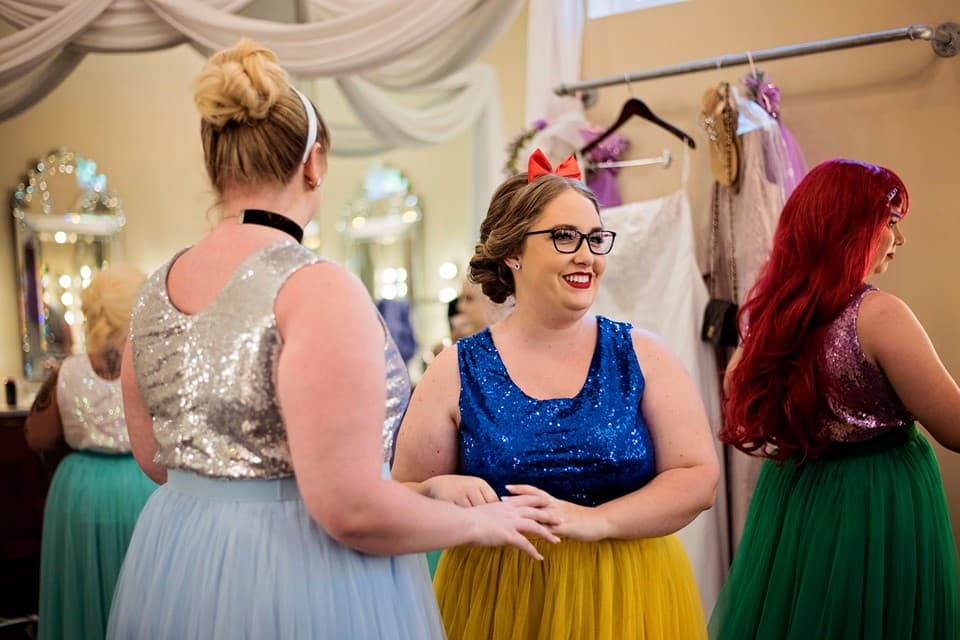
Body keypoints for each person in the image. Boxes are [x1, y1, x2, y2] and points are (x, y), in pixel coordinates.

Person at [106, 39, 558, 639]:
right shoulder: (313, 288)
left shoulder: (153, 291)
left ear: (215, 165)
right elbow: (348, 508)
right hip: (295, 572)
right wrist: (484, 523)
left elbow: (156, 461)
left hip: (178, 559)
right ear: (313, 164)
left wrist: (421, 489)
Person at [393, 149, 719, 639]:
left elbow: (698, 478)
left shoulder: (642, 355)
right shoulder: (457, 369)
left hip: (626, 597)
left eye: (594, 238)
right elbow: (401, 492)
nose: (586, 255)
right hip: (499, 600)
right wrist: (438, 489)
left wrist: (599, 520)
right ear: (513, 252)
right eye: (565, 237)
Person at [709, 159, 960, 639]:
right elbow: (955, 428)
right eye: (891, 224)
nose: (899, 240)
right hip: (875, 499)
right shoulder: (880, 313)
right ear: (850, 228)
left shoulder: (771, 320)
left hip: (795, 498)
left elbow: (735, 388)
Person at [24, 264, 158, 640]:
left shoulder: (65, 373)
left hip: (79, 494)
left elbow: (36, 438)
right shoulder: (151, 369)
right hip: (140, 488)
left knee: (82, 591)